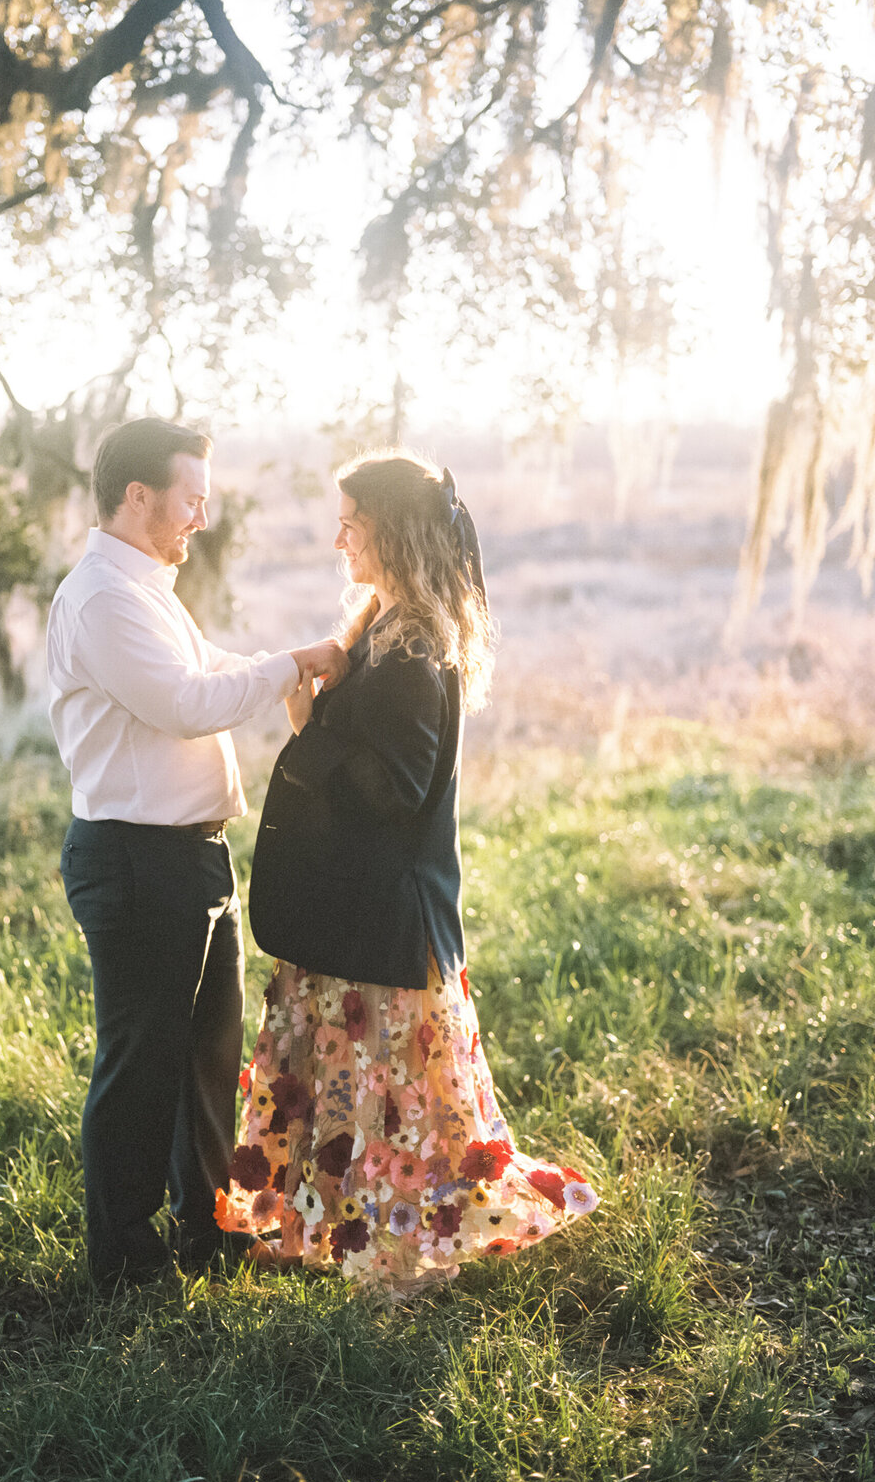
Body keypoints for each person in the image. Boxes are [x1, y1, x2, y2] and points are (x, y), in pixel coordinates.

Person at [216, 450, 599, 1292]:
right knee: (354, 1087)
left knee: (392, 1098)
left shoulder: (414, 646)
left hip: (385, 920)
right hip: (354, 911)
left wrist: (310, 725)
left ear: (390, 530)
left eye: (352, 520)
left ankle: (394, 1245)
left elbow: (398, 789)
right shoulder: (382, 625)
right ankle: (330, 1226)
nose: (338, 536)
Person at [46, 417, 348, 1290]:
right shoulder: (103, 598)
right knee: (142, 1061)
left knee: (210, 1054)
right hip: (136, 860)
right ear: (138, 496)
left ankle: (205, 1228)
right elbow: (183, 700)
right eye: (191, 499)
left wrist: (287, 663)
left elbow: (210, 662)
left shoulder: (145, 586)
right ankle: (125, 1260)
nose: (201, 519)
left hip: (188, 858)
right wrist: (289, 666)